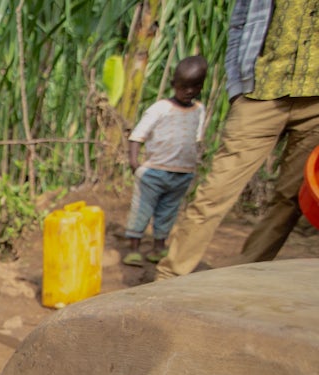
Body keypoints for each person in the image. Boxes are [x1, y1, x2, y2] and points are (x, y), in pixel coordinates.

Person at [156, 0, 319, 280]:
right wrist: (236, 88)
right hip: (260, 93)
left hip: (315, 103)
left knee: (290, 198)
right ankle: (168, 278)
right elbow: (239, 26)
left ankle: (241, 275)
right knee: (215, 191)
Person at [121, 56, 207, 267]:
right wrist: (134, 162)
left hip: (182, 173)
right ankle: (134, 249)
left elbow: (196, 139)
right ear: (173, 85)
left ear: (201, 86)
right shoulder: (160, 108)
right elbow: (138, 135)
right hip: (154, 171)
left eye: (195, 86)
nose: (189, 91)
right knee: (142, 209)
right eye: (183, 86)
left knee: (168, 211)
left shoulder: (199, 110)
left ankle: (159, 247)